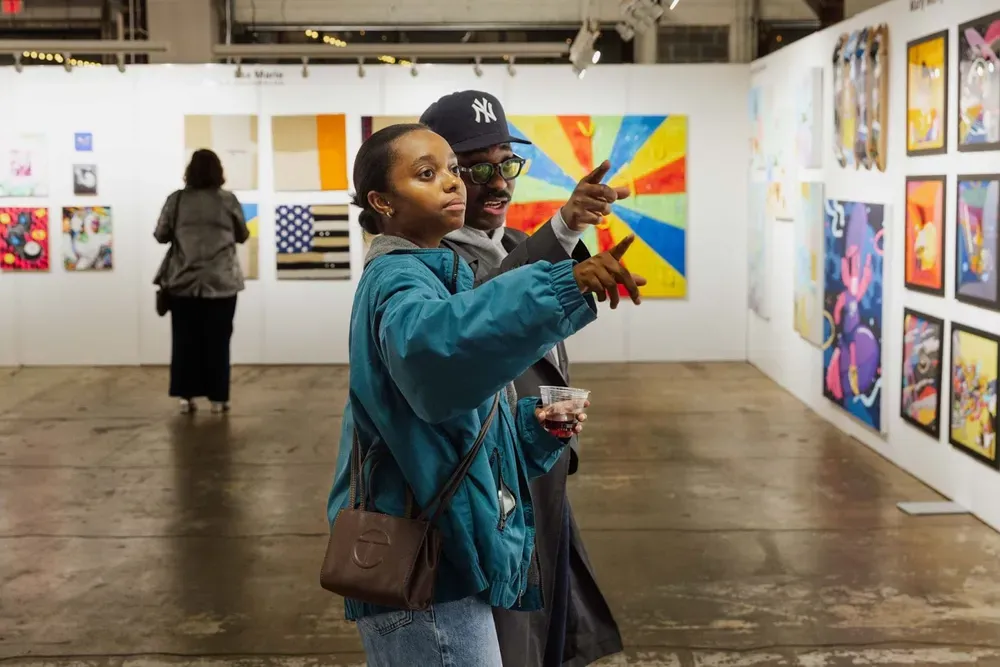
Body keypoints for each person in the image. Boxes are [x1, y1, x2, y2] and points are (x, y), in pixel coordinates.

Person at [327, 123, 643, 666]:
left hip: (444, 555)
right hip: (423, 567)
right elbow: (437, 359)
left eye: (452, 169)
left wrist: (531, 431)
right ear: (382, 201)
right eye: (427, 174)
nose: (454, 183)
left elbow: (448, 422)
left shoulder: (433, 274)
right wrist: (562, 286)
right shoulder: (397, 280)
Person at [421, 89, 625, 666]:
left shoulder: (514, 243)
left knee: (545, 627)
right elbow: (482, 311)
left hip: (540, 467)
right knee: (506, 635)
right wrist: (563, 228)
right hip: (488, 482)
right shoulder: (426, 263)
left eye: (505, 164)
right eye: (476, 168)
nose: (498, 184)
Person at [153, 149, 249, 414]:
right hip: (222, 282)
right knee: (219, 341)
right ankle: (219, 398)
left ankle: (186, 397)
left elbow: (161, 235)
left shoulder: (177, 200)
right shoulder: (228, 200)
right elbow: (242, 234)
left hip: (183, 282)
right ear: (218, 171)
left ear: (189, 171)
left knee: (185, 341)